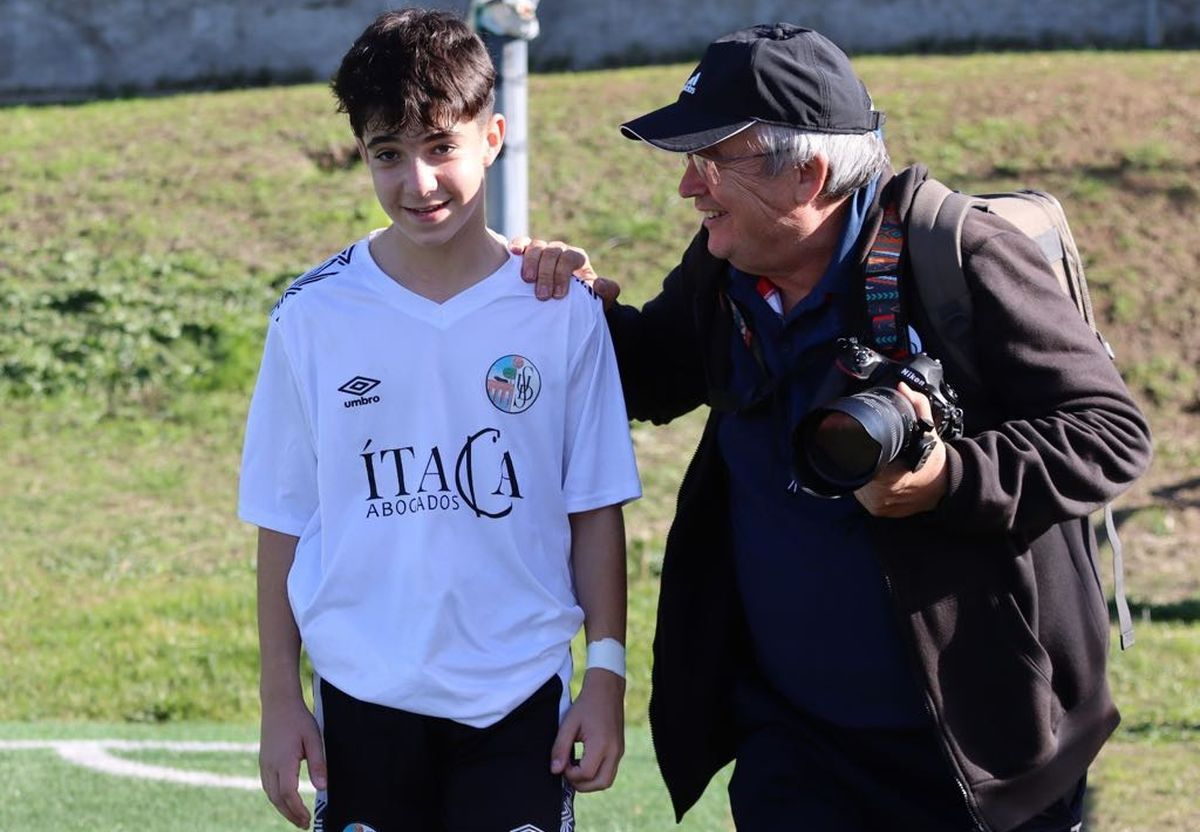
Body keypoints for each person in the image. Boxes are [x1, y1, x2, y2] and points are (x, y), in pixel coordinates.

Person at [517, 22, 1152, 832]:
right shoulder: (723, 267)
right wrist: (569, 312)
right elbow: (652, 376)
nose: (689, 188)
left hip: (981, 756)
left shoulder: (960, 256)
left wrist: (948, 480)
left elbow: (1108, 431)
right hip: (797, 747)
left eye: (712, 160)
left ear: (808, 174)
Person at [237, 9, 640, 832]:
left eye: (440, 147)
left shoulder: (558, 308)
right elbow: (283, 521)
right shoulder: (312, 316)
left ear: (493, 138)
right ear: (362, 155)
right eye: (388, 154)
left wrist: (606, 675)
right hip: (364, 692)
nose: (417, 182)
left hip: (517, 693)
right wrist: (282, 703)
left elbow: (594, 505)